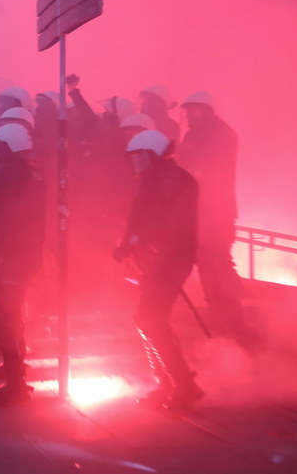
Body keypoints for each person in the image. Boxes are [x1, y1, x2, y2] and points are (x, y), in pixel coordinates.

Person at [114, 130, 204, 411]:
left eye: (140, 156)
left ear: (153, 154)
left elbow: (165, 221)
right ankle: (168, 383)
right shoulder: (157, 179)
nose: (136, 163)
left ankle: (183, 386)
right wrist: (131, 242)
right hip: (159, 258)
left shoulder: (170, 180)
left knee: (150, 319)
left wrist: (136, 241)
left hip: (171, 258)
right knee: (148, 319)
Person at [177, 92, 257, 346]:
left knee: (218, 265)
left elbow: (200, 169)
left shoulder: (219, 134)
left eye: (192, 111)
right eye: (187, 111)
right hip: (204, 211)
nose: (188, 116)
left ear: (206, 110)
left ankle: (234, 324)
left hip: (214, 211)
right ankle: (224, 321)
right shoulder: (202, 133)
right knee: (210, 265)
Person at [0, 124, 46, 406]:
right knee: (5, 311)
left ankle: (17, 384)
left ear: (9, 147)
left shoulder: (10, 174)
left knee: (6, 314)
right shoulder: (29, 172)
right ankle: (15, 365)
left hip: (15, 253)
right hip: (21, 253)